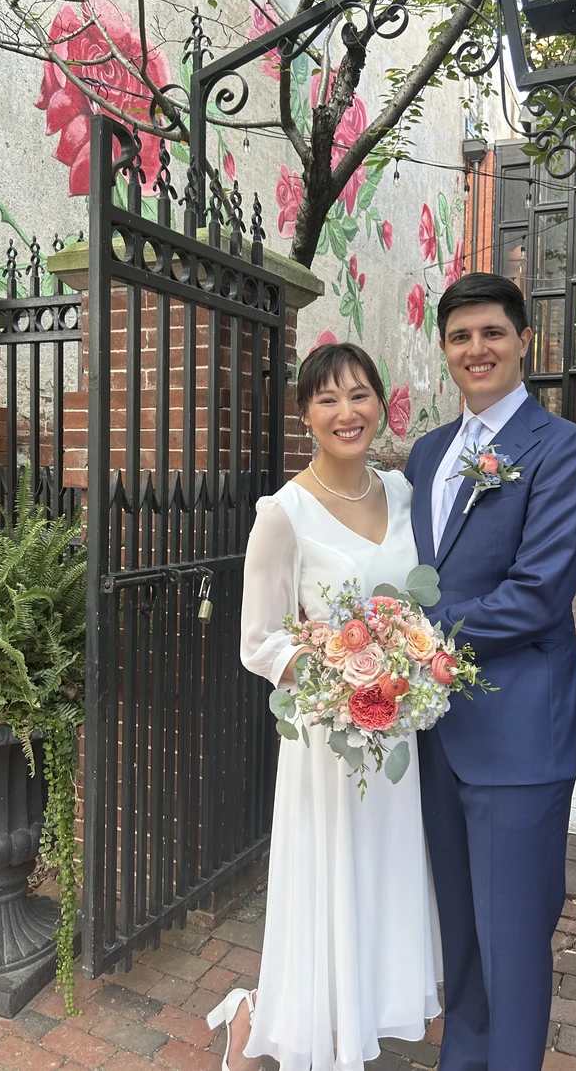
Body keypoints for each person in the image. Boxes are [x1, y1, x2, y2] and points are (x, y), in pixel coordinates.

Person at [207, 342, 441, 1071]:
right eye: (329, 398)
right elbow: (258, 639)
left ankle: (356, 1014)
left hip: (395, 731)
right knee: (324, 884)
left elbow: (424, 606)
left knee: (381, 878)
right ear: (306, 413)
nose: (348, 411)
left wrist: (408, 654)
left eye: (360, 394)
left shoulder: (405, 494)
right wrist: (331, 669)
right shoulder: (285, 513)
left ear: (380, 402)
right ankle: (266, 1015)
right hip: (325, 738)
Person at [404, 272, 576, 1071]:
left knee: (513, 941)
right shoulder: (425, 453)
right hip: (437, 731)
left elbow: (538, 594)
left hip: (521, 732)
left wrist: (410, 638)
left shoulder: (563, 451)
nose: (476, 348)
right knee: (462, 929)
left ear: (526, 342)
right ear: (445, 350)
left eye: (492, 332)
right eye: (459, 336)